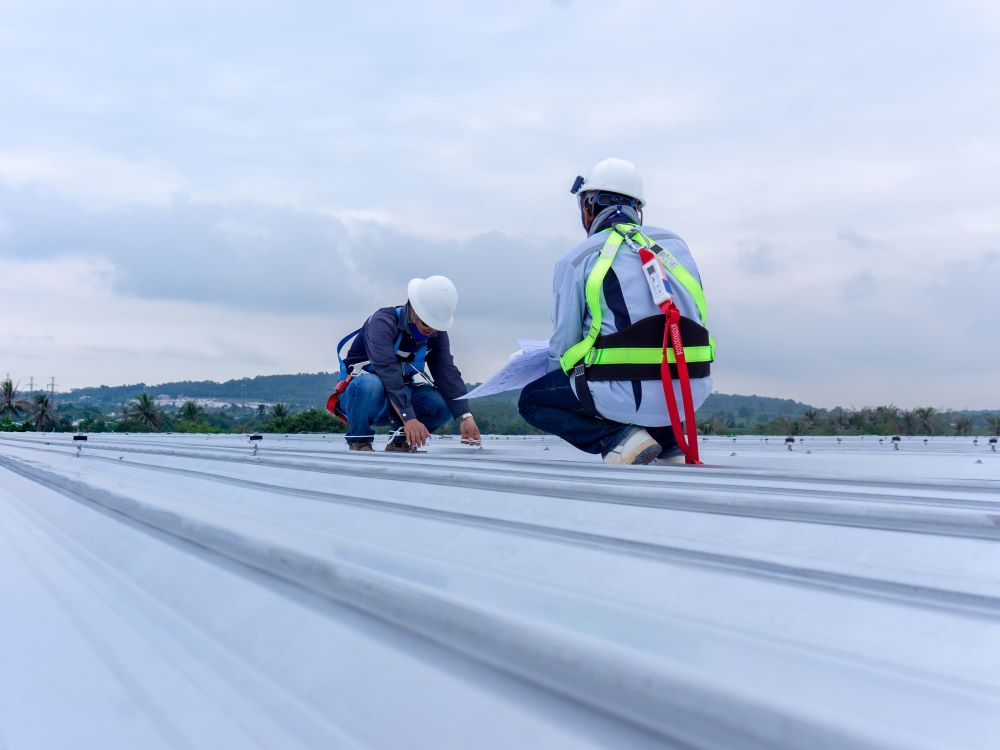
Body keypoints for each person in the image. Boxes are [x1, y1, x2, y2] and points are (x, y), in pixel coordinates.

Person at [519, 158, 714, 465]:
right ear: (638, 208)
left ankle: (620, 440)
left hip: (626, 393)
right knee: (646, 369)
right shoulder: (676, 245)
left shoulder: (577, 258)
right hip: (691, 392)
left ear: (589, 208)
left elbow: (564, 347)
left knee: (533, 400)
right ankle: (670, 442)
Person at [336, 275, 481, 452]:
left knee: (444, 404)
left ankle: (401, 440)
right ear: (413, 309)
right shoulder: (382, 322)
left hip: (400, 399)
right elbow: (388, 372)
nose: (432, 331)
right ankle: (360, 440)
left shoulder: (436, 334)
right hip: (365, 399)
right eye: (427, 323)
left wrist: (465, 416)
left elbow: (447, 373)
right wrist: (409, 418)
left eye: (437, 326)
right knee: (370, 384)